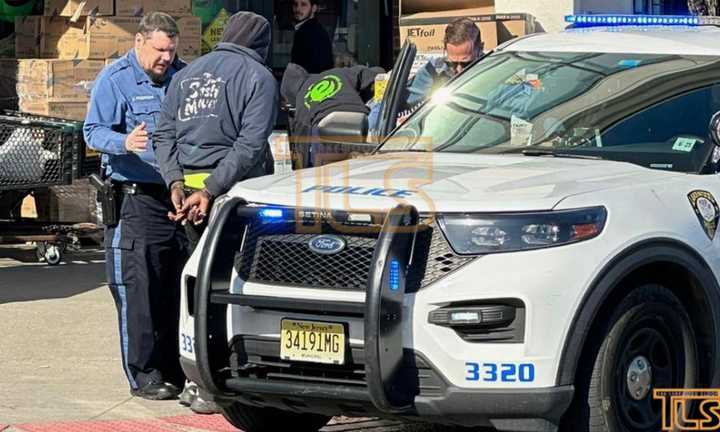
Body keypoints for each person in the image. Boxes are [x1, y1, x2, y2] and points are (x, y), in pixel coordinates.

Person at [153, 11, 278, 413]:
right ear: (261, 43)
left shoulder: (187, 74)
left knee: (196, 286)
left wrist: (176, 183)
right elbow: (250, 146)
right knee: (232, 290)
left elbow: (164, 133)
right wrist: (210, 190)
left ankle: (194, 380)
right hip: (233, 199)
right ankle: (219, 383)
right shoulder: (258, 77)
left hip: (188, 196)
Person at [83, 12, 188, 401]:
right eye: (160, 50)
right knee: (138, 289)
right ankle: (144, 374)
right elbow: (92, 130)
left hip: (180, 199)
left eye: (172, 51)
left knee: (176, 288)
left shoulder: (183, 76)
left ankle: (177, 368)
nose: (166, 58)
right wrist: (124, 143)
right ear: (140, 42)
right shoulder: (115, 80)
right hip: (136, 199)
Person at [281, 62, 384, 168]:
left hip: (328, 134)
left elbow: (301, 141)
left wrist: (303, 170)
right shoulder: (338, 72)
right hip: (360, 120)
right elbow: (375, 73)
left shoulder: (301, 99)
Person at [406, 17, 484, 108]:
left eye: (466, 63)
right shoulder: (434, 70)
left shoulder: (494, 70)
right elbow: (404, 101)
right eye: (452, 63)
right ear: (445, 50)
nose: (459, 70)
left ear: (480, 48)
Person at [291, 0, 333, 73]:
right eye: (295, 4)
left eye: (303, 4)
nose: (298, 9)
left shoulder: (312, 31)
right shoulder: (309, 29)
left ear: (314, 8)